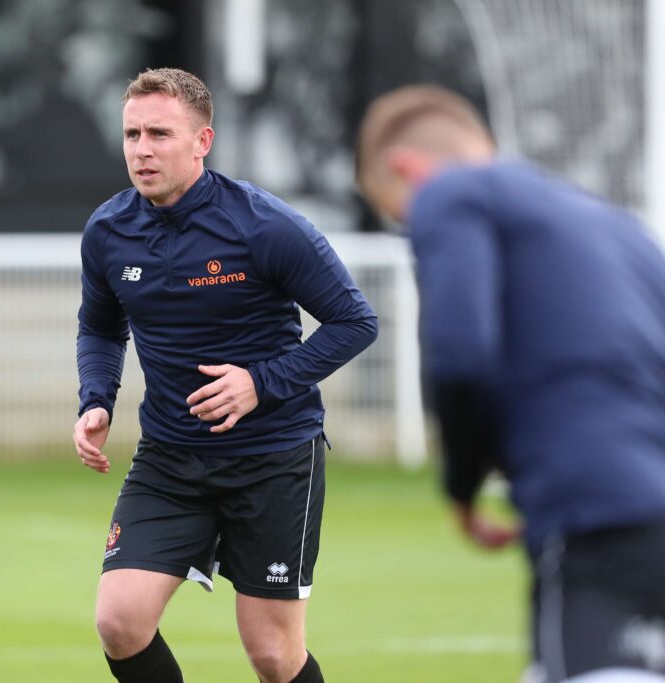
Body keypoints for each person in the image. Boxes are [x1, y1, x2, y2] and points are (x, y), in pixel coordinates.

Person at [73, 68, 378, 683]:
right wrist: (96, 399)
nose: (142, 149)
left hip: (273, 458)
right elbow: (101, 328)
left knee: (272, 655)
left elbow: (355, 321)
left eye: (160, 133)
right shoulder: (108, 230)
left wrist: (259, 383)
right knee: (120, 622)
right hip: (169, 457)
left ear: (202, 142)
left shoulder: (264, 225)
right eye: (132, 133)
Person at [355, 84, 665, 683]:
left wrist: (464, 484)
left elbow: (463, 354)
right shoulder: (617, 225)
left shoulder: (449, 191)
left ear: (405, 168)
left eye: (400, 216)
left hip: (598, 512)